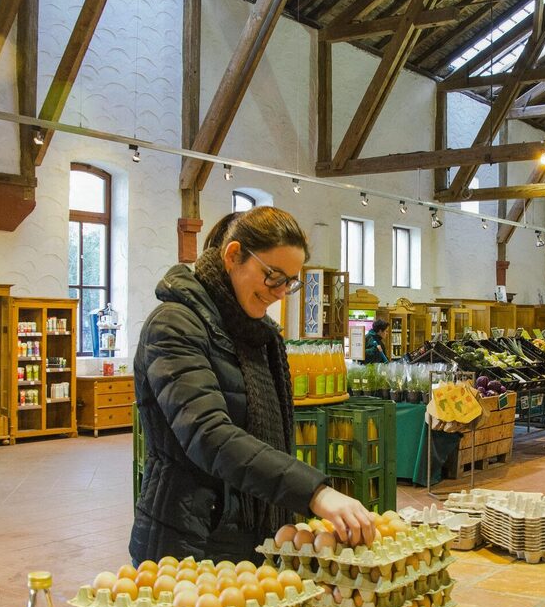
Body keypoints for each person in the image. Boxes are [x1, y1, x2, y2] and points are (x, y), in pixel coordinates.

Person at [129, 207, 374, 564]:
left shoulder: (259, 336)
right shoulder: (174, 325)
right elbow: (209, 435)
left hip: (249, 532)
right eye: (273, 276)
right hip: (188, 539)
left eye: (290, 281)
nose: (280, 293)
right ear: (233, 256)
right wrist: (314, 493)